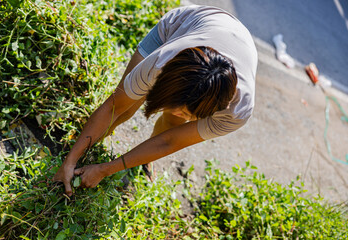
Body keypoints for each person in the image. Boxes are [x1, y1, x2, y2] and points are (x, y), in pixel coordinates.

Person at [53, 5, 258, 196]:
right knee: (126, 109)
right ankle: (82, 153)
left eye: (189, 113)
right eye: (174, 104)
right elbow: (113, 108)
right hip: (184, 24)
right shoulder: (160, 62)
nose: (177, 112)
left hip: (234, 43)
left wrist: (104, 170)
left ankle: (143, 161)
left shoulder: (237, 112)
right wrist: (69, 160)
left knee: (173, 124)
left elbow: (170, 140)